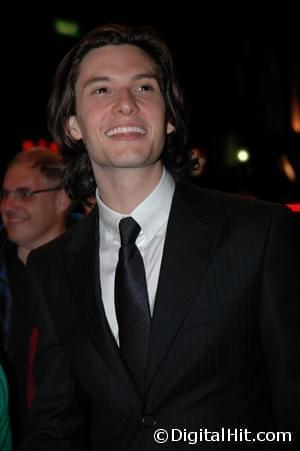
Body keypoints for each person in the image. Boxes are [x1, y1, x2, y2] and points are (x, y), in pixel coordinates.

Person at [21, 24, 300, 450]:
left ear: (168, 117)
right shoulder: (51, 266)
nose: (126, 104)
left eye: (144, 87)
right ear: (72, 124)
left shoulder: (259, 232)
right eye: (101, 90)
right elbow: (56, 423)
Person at [0, 147, 72, 443]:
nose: (8, 206)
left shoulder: (91, 275)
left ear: (62, 198)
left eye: (25, 193)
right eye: (4, 194)